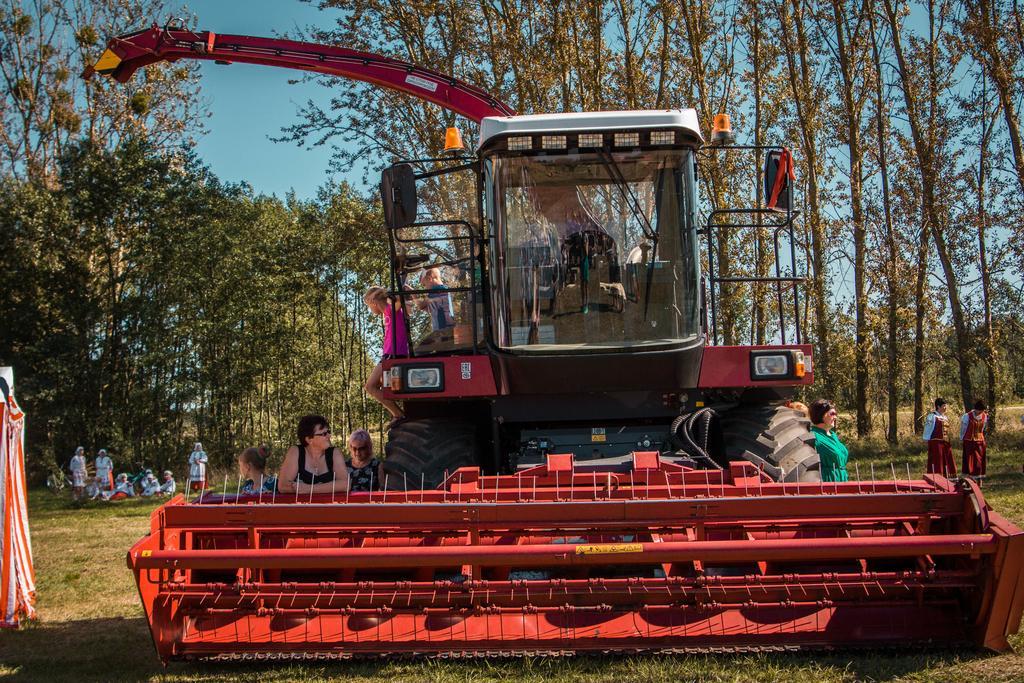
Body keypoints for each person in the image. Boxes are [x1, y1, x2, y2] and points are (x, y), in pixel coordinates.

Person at [363, 287, 407, 422]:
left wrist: (377, 294)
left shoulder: (392, 309)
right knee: (382, 386)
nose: (370, 309)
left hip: (394, 354)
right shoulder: (387, 313)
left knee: (370, 386)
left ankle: (399, 414)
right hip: (388, 354)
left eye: (368, 305)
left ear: (374, 303)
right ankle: (399, 413)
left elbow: (400, 294)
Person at [277, 415, 350, 497]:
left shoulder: (334, 453)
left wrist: (309, 489)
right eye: (324, 434)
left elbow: (345, 484)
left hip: (328, 507)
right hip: (301, 508)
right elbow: (283, 486)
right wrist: (330, 487)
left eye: (328, 432)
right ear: (309, 439)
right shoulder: (295, 451)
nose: (329, 436)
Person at [809, 399, 848, 482]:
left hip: (842, 478)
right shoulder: (813, 436)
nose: (835, 417)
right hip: (828, 480)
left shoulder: (833, 435)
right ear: (821, 415)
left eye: (835, 414)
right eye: (832, 414)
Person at [923, 397, 956, 477]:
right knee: (938, 461)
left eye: (945, 406)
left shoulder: (945, 417)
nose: (945, 408)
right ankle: (937, 478)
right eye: (944, 406)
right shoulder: (932, 416)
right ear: (938, 406)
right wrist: (927, 439)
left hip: (945, 442)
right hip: (936, 443)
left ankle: (948, 477)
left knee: (948, 459)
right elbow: (927, 429)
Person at [417, 267, 455, 333]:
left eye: (424, 284)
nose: (425, 288)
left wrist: (411, 293)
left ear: (429, 279)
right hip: (446, 328)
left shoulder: (436, 291)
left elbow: (421, 306)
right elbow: (427, 308)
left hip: (443, 329)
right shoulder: (445, 290)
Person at [960, 400, 989, 479]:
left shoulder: (984, 416)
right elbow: (963, 428)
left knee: (979, 460)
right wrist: (962, 437)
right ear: (976, 409)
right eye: (980, 410)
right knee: (970, 460)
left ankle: (979, 478)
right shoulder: (967, 416)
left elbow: (982, 428)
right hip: (969, 441)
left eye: (982, 411)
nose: (981, 412)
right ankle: (969, 478)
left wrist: (981, 438)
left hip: (980, 441)